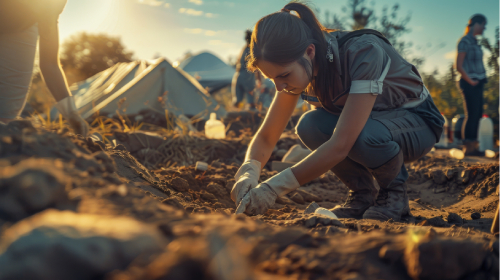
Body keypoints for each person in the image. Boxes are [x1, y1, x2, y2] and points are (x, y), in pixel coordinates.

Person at [230, 2, 444, 222]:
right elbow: (267, 136)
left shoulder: (363, 52)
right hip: (375, 123)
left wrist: (273, 188)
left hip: (418, 123)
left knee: (359, 135)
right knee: (310, 125)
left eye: (283, 76)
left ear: (310, 52)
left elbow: (341, 144)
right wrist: (249, 169)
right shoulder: (299, 68)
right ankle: (362, 195)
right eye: (271, 78)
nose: (278, 87)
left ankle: (394, 196)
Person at [0, 0, 88, 136]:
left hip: (22, 26)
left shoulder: (48, 9)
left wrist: (71, 112)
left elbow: (50, 64)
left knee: (4, 121)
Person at [455, 14, 487, 156]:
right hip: (469, 81)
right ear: (476, 24)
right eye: (483, 25)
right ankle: (468, 147)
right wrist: (470, 81)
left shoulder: (475, 42)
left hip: (478, 81)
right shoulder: (465, 41)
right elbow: (459, 66)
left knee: (478, 114)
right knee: (472, 114)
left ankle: (474, 146)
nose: (484, 28)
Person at [232, 30, 256, 109]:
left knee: (238, 100)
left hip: (238, 75)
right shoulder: (250, 50)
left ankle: (236, 115)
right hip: (247, 76)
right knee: (250, 98)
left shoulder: (244, 49)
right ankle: (250, 117)